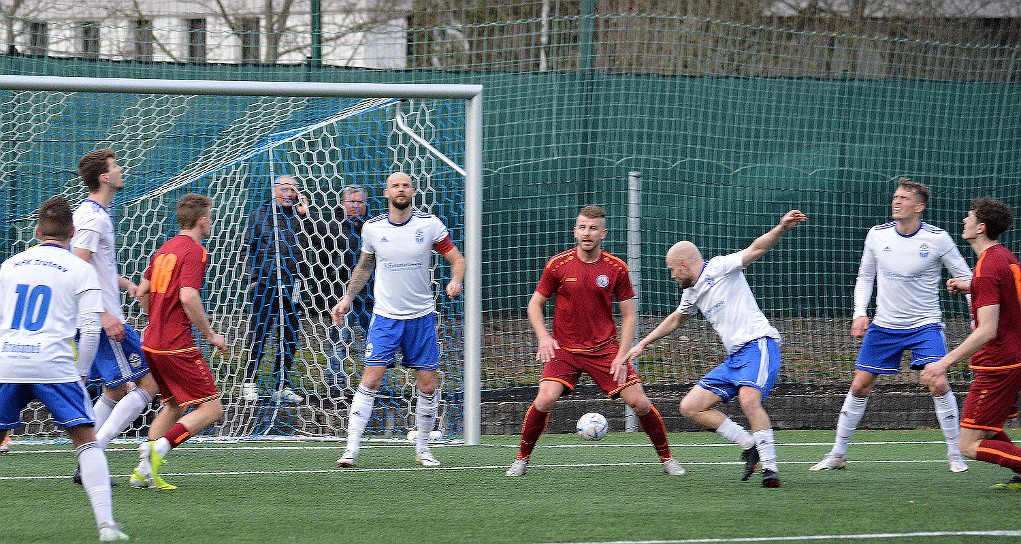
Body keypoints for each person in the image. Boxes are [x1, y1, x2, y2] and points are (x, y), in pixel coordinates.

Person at [627, 209, 808, 488]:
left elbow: (756, 248)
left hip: (759, 345)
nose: (672, 275)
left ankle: (770, 469)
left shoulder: (720, 267)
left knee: (749, 400)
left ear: (684, 265)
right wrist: (642, 344)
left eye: (672, 269)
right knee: (690, 406)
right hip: (736, 357)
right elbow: (676, 319)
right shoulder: (691, 292)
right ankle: (749, 445)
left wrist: (781, 227)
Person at [505, 205, 686, 478]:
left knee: (640, 403)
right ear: (575, 231)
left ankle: (667, 458)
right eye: (582, 227)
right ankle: (521, 459)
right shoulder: (558, 265)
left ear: (603, 233)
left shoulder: (616, 268)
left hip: (605, 351)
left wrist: (622, 354)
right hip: (564, 350)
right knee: (544, 399)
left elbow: (629, 315)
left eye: (592, 228)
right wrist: (543, 337)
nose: (586, 233)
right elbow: (534, 305)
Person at [810, 178, 972, 473]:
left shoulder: (937, 239)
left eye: (904, 198)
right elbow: (865, 276)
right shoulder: (877, 235)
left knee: (937, 382)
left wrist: (966, 294)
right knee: (859, 386)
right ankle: (837, 454)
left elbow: (970, 279)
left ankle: (955, 454)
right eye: (895, 197)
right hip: (884, 326)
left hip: (925, 325)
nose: (896, 201)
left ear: (919, 207)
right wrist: (860, 312)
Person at [0, 197, 129, 541]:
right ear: (72, 233)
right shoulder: (80, 269)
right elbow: (89, 328)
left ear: (37, 230)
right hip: (55, 366)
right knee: (86, 441)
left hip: (9, 362)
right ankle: (106, 526)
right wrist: (83, 373)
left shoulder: (10, 265)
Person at [332, 172, 465, 468]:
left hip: (421, 317)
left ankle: (423, 449)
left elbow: (457, 258)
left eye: (405, 185)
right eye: (396, 185)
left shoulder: (429, 225)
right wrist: (347, 298)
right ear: (386, 192)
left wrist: (456, 280)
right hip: (386, 318)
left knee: (428, 385)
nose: (401, 189)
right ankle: (351, 449)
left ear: (413, 191)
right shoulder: (373, 228)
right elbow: (364, 267)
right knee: (371, 378)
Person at [920, 197, 1021, 489]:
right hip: (1011, 357)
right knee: (987, 430)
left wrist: (943, 363)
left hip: (999, 362)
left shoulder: (988, 266)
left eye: (969, 217)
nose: (964, 221)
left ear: (981, 227)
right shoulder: (1003, 257)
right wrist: (971, 286)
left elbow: (987, 330)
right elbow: (1008, 295)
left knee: (967, 444)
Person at [130, 193, 227, 491]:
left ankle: (142, 472)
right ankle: (160, 451)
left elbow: (142, 292)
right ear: (202, 220)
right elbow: (188, 296)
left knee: (173, 405)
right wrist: (210, 334)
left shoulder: (164, 249)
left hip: (151, 341)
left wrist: (158, 316)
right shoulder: (194, 251)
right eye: (209, 217)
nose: (210, 222)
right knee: (212, 410)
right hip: (175, 343)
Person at [72, 149, 159, 479]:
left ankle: (88, 455)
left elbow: (96, 266)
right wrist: (106, 314)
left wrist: (125, 285)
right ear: (104, 178)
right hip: (101, 318)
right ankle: (96, 452)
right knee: (148, 383)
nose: (121, 169)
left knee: (115, 390)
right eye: (115, 166)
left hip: (98, 314)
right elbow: (77, 267)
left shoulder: (91, 213)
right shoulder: (93, 218)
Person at [241, 175, 322, 403]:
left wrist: (308, 216)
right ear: (274, 190)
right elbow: (247, 249)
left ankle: (282, 384)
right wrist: (253, 278)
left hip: (294, 284)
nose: (288, 194)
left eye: (292, 189)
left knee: (289, 335)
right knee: (260, 333)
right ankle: (249, 382)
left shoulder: (301, 215)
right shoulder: (259, 215)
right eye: (284, 189)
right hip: (265, 283)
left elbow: (321, 240)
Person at [324, 185, 374, 399]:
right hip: (342, 294)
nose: (355, 205)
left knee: (375, 341)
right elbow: (322, 260)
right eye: (351, 201)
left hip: (372, 294)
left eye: (359, 201)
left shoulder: (373, 227)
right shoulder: (332, 227)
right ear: (342, 204)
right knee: (340, 338)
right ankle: (335, 385)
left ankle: (374, 384)